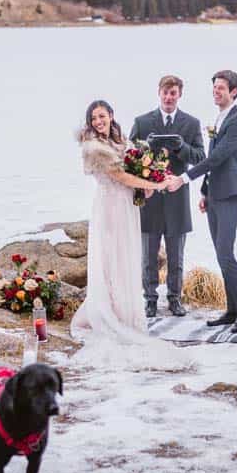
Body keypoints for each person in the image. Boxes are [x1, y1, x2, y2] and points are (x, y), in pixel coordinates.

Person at [71, 100, 172, 343]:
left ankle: (126, 311)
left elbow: (133, 170)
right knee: (112, 256)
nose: (98, 121)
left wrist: (149, 176)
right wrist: (155, 184)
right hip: (110, 206)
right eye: (94, 118)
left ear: (111, 115)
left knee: (126, 254)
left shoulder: (119, 141)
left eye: (102, 116)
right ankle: (112, 311)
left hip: (126, 205)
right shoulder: (94, 147)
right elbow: (121, 176)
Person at [165, 70, 237, 334]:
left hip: (230, 192)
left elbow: (218, 159)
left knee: (226, 254)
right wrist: (205, 193)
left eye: (221, 88)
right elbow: (214, 162)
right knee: (220, 254)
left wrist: (184, 178)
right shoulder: (220, 117)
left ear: (234, 92)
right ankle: (232, 311)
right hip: (215, 192)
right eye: (214, 87)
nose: (216, 92)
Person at [128, 75, 205, 318]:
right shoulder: (142, 122)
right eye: (165, 92)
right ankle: (149, 299)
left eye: (173, 93)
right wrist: (145, 150)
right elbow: (129, 157)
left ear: (179, 95)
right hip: (149, 198)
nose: (169, 97)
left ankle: (175, 299)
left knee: (176, 256)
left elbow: (201, 158)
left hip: (177, 198)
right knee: (148, 255)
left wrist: (181, 146)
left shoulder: (191, 124)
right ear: (159, 93)